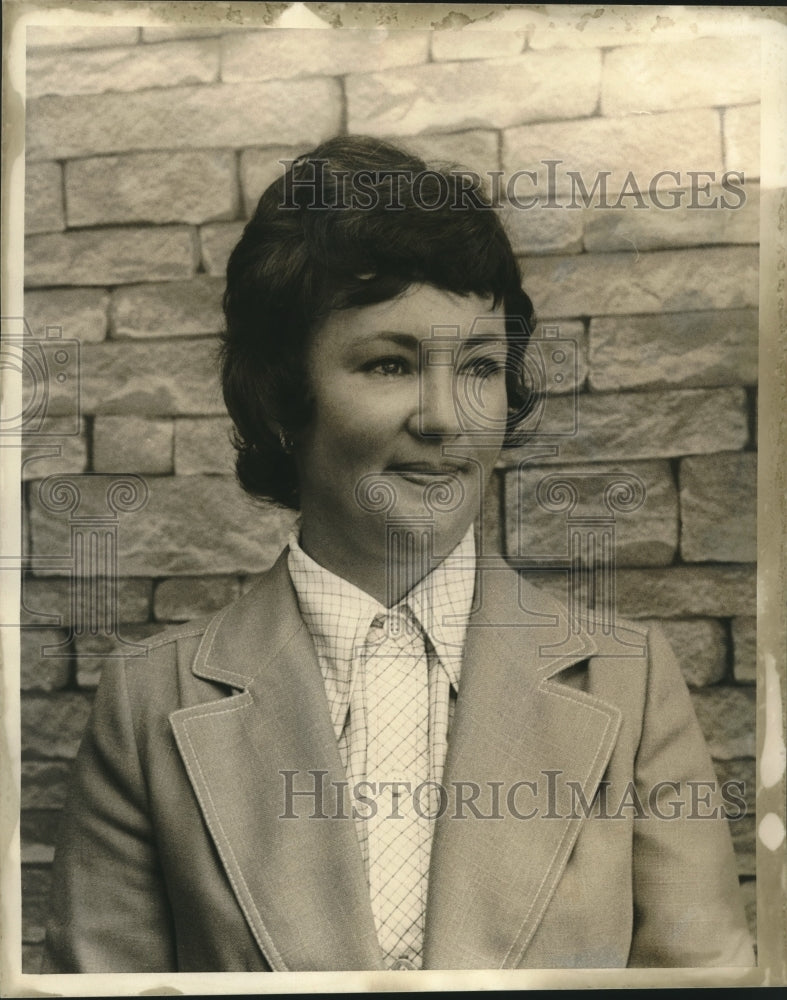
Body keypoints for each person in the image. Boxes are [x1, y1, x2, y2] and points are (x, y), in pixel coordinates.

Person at [42, 135, 754, 972]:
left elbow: (702, 980)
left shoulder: (629, 681)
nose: (445, 418)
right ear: (281, 398)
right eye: (389, 364)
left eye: (482, 366)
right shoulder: (148, 705)